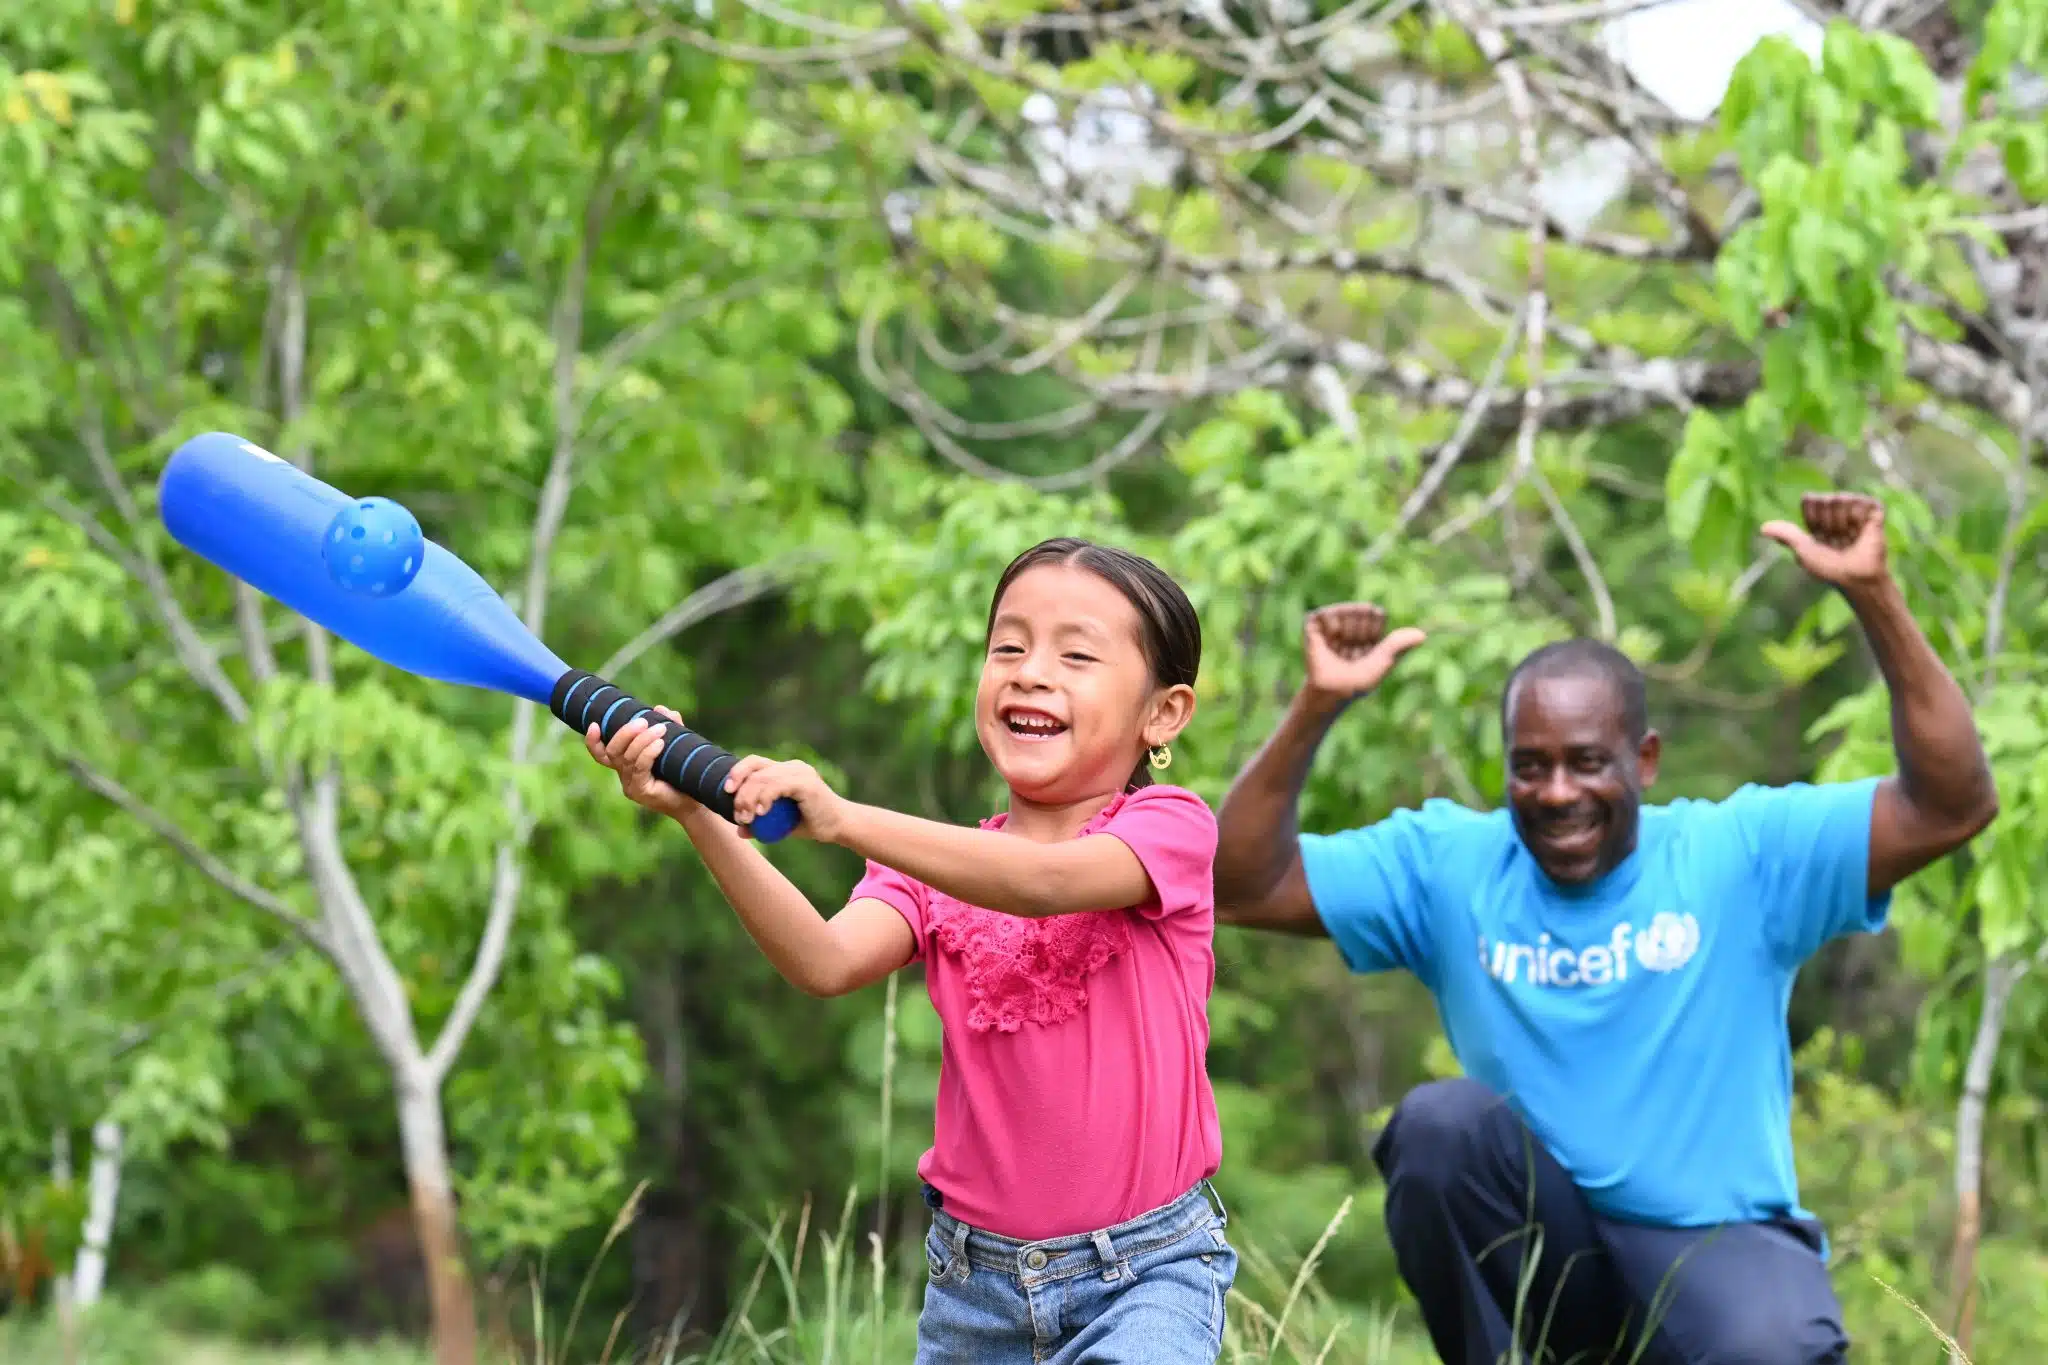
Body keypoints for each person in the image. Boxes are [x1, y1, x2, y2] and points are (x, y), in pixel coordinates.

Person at [1211, 493, 1997, 1365]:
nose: (1557, 793)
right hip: (1552, 1260)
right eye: (1530, 766)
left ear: (1645, 759)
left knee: (1775, 1345)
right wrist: (1316, 706)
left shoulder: (1740, 852)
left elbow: (1949, 806)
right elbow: (1241, 882)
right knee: (1440, 1127)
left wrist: (1875, 595)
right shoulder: (1450, 864)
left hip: (1712, 1247)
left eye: (1588, 762)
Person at [586, 538, 1237, 1365]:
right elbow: (823, 960)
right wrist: (698, 815)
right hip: (975, 1291)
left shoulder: (1169, 829)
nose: (1031, 671)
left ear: (1164, 713)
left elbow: (1043, 880)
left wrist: (841, 815)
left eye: (1077, 654)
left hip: (1146, 1274)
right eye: (1009, 645)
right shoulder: (927, 870)